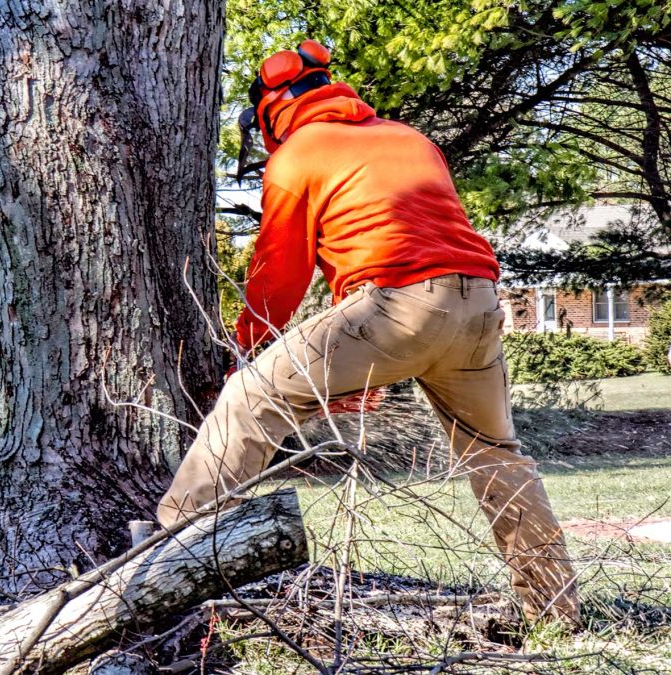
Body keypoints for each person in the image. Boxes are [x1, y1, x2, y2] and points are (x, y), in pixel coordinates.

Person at [156, 40, 580, 624]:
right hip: (479, 304)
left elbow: (279, 275)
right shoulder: (410, 139)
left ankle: (156, 559)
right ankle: (552, 606)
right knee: (495, 454)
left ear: (272, 111)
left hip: (397, 303)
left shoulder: (298, 153)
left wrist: (247, 349)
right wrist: (355, 367)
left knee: (250, 398)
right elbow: (389, 240)